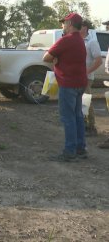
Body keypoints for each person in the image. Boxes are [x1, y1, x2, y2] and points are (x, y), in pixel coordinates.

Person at [43, 13, 87, 161]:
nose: (62, 25)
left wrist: (56, 59)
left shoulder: (66, 40)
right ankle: (80, 148)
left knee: (68, 118)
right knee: (77, 116)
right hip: (80, 83)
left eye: (64, 23)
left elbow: (46, 57)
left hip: (68, 84)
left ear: (70, 24)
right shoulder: (80, 41)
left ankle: (70, 151)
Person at [80, 20, 102, 136]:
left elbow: (99, 61)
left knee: (86, 101)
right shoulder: (77, 41)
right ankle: (82, 125)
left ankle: (92, 127)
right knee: (80, 102)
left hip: (87, 77)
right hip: (77, 77)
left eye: (81, 26)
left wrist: (86, 72)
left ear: (85, 28)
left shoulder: (92, 42)